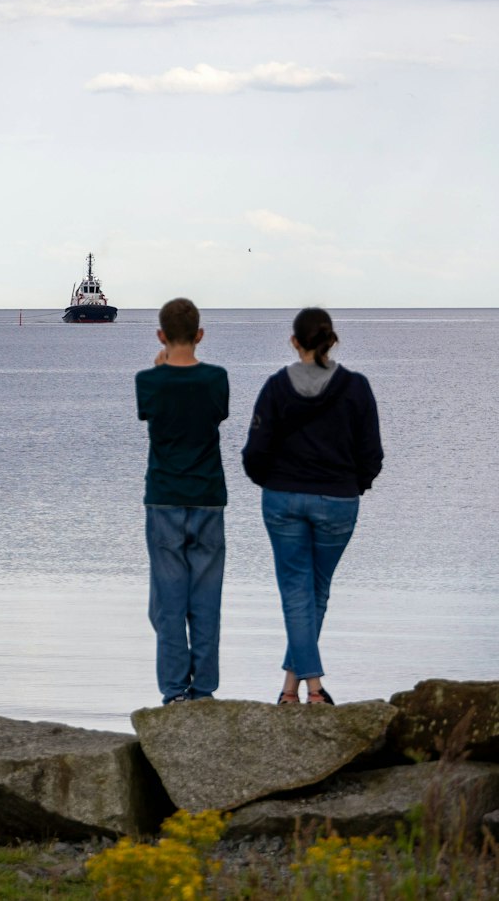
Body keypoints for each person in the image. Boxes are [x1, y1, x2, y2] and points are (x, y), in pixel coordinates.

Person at [242, 308, 383, 706]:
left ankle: (302, 689)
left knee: (296, 592)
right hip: (338, 501)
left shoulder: (275, 388)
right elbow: (371, 453)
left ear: (294, 342)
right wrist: (355, 485)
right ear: (331, 340)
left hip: (283, 499)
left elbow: (254, 452)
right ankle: (303, 689)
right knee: (315, 592)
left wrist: (270, 483)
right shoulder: (356, 388)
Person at [135, 297, 229, 706]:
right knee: (206, 600)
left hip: (164, 499)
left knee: (169, 602)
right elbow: (217, 413)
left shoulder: (148, 381)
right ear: (200, 335)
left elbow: (151, 410)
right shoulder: (216, 379)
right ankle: (204, 689)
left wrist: (160, 369)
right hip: (208, 497)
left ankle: (175, 692)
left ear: (161, 335)